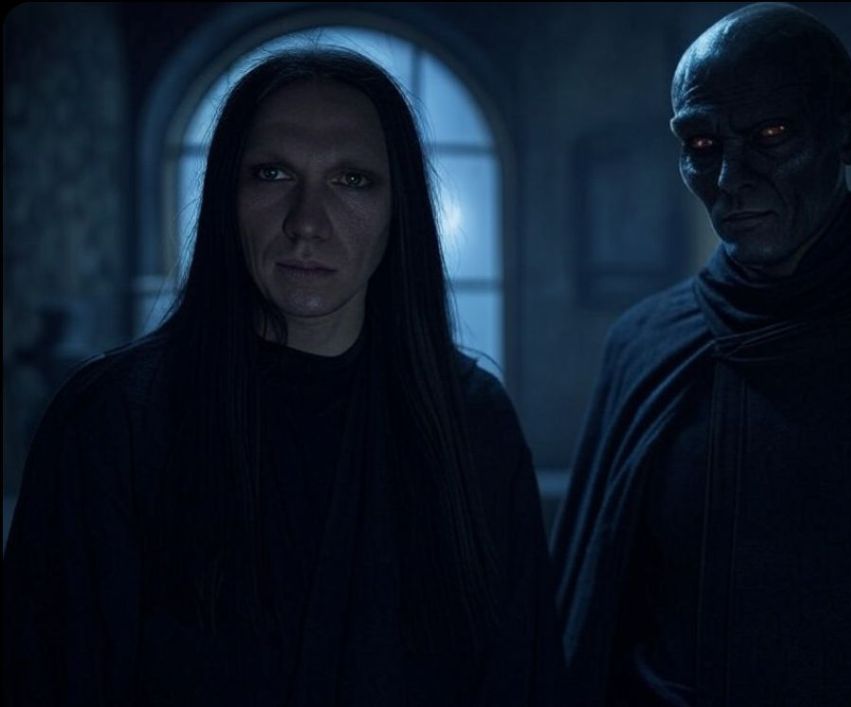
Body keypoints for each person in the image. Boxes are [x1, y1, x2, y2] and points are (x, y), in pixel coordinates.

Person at [4, 50, 562, 706]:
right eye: (272, 173)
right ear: (227, 195)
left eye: (352, 179)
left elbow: (522, 676)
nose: (307, 223)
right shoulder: (114, 422)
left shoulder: (471, 423)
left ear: (398, 207)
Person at [552, 4, 851, 706]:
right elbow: (596, 612)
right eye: (702, 144)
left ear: (850, 132)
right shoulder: (649, 343)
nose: (731, 177)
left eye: (771, 135)